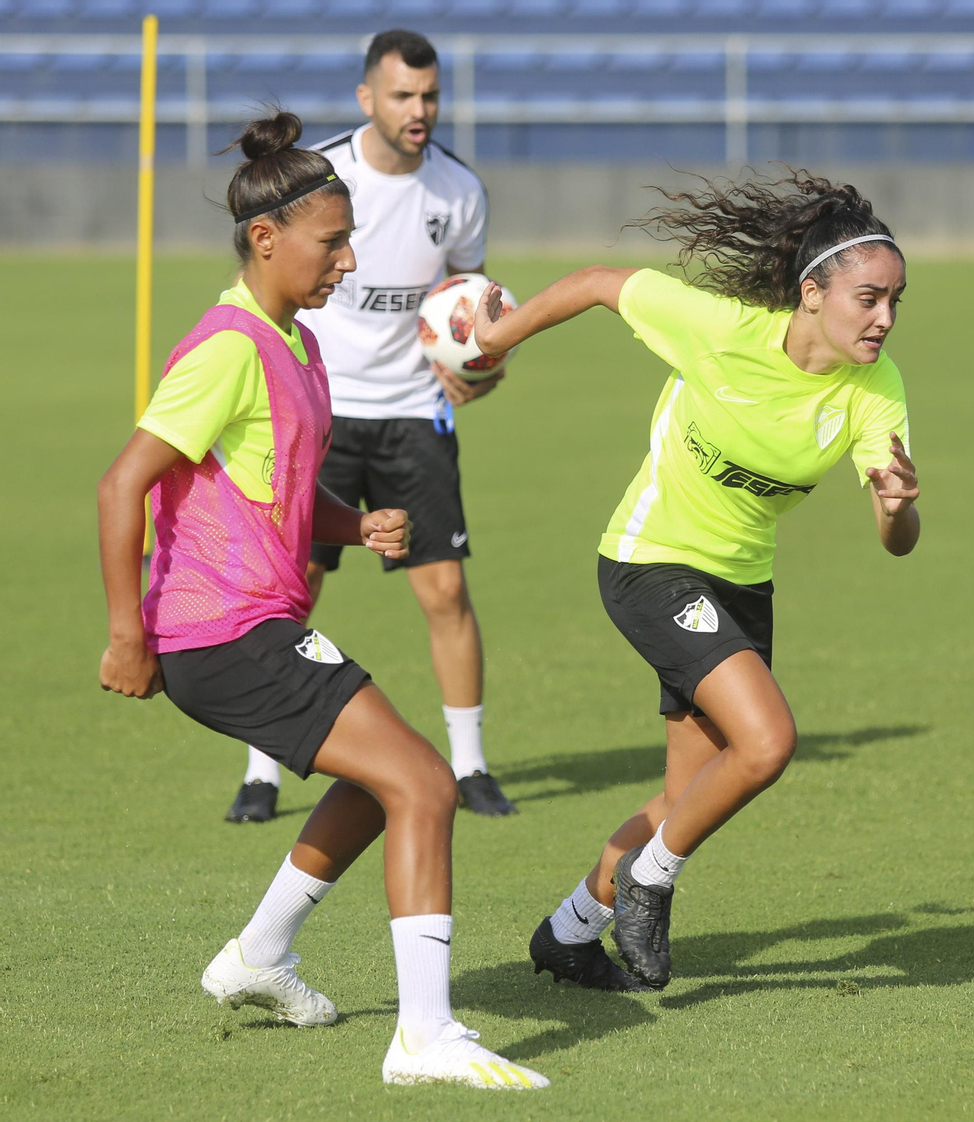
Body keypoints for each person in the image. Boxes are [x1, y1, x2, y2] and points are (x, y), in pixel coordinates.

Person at [97, 112, 546, 1090]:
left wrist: (355, 526)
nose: (348, 263)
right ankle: (424, 1037)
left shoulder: (295, 345)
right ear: (267, 239)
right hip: (217, 633)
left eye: (351, 242)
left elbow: (276, 495)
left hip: (256, 623)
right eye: (332, 243)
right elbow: (120, 485)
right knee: (424, 784)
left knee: (380, 787)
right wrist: (127, 635)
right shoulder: (225, 347)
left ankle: (260, 955)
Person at [471, 170, 922, 991]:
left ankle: (569, 933)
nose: (885, 318)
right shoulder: (722, 329)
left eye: (896, 300)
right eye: (869, 298)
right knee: (769, 742)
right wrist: (499, 339)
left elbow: (899, 543)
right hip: (651, 562)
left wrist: (895, 505)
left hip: (743, 586)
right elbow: (600, 285)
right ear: (812, 292)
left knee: (686, 798)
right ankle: (649, 881)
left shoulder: (875, 390)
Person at [225, 28, 515, 824]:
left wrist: (478, 362)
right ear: (367, 100)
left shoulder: (458, 191)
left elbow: (468, 302)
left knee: (445, 589)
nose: (418, 110)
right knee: (293, 587)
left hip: (414, 412)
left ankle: (471, 765)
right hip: (322, 412)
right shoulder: (322, 178)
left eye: (428, 96)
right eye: (401, 96)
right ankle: (263, 771)